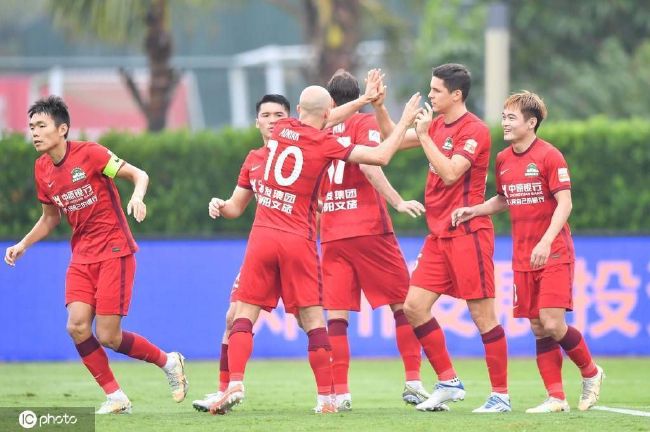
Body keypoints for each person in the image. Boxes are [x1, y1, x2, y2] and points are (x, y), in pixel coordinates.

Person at [208, 84, 423, 415]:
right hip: (299, 238)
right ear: (325, 115)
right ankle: (326, 398)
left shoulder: (281, 129)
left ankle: (234, 382)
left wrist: (363, 100)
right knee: (312, 320)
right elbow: (379, 157)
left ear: (295, 110)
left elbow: (317, 115)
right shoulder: (325, 143)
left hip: (262, 235)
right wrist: (405, 117)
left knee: (243, 315)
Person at [4, 96, 188, 414]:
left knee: (108, 336)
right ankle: (116, 396)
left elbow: (139, 174)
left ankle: (168, 361)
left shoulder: (91, 153)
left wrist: (138, 198)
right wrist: (23, 244)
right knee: (76, 327)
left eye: (41, 126)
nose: (34, 132)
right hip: (82, 256)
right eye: (31, 126)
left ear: (62, 129)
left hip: (114, 250)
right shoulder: (41, 168)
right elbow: (50, 218)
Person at [451, 91, 604, 413]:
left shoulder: (550, 156)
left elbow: (565, 202)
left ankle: (591, 372)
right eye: (504, 117)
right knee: (537, 325)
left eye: (511, 118)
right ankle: (556, 397)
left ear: (531, 123)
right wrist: (474, 211)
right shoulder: (504, 159)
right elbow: (503, 199)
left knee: (551, 321)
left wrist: (547, 241)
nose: (504, 123)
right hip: (522, 255)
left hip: (554, 250)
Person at [372, 63, 510, 413]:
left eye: (436, 91)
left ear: (456, 95)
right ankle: (448, 381)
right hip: (438, 237)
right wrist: (380, 107)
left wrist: (425, 136)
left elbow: (450, 174)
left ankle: (501, 396)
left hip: (468, 234)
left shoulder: (474, 130)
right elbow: (392, 137)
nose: (430, 95)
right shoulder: (433, 125)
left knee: (483, 317)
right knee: (413, 307)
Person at [319, 69, 436, 411]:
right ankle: (414, 382)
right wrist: (398, 201)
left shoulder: (317, 129)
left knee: (337, 318)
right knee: (403, 306)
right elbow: (372, 165)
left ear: (329, 101)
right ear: (360, 95)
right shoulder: (361, 122)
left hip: (332, 234)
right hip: (369, 228)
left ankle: (340, 392)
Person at [192, 93, 291, 412]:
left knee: (309, 320)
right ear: (257, 122)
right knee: (232, 316)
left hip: (293, 248)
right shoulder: (254, 159)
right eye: (267, 115)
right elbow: (237, 205)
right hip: (262, 248)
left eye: (279, 114)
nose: (273, 120)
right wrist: (221, 205)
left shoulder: (303, 153)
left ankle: (333, 393)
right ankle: (226, 388)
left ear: (292, 119)